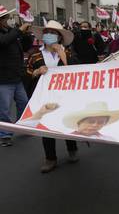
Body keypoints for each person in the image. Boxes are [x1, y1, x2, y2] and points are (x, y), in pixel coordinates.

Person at [26, 20, 79, 173]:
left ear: (60, 37)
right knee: (47, 125)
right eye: (47, 32)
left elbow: (78, 71)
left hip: (65, 95)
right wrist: (37, 72)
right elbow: (26, 73)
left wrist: (62, 55)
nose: (49, 35)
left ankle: (72, 148)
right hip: (44, 97)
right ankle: (50, 158)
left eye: (53, 33)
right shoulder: (35, 54)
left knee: (68, 121)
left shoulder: (68, 53)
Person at [0, 5, 32, 147]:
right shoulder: (8, 34)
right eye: (5, 18)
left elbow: (25, 47)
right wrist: (19, 30)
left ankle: (21, 127)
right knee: (4, 108)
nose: (8, 20)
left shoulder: (10, 31)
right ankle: (5, 134)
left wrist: (26, 34)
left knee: (23, 103)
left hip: (16, 76)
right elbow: (3, 41)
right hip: (3, 78)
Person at [22, 101, 119, 141]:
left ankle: (72, 152)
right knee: (48, 136)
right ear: (79, 122)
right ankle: (50, 159)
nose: (95, 125)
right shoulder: (55, 126)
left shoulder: (109, 138)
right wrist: (40, 113)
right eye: (91, 121)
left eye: (100, 122)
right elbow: (22, 127)